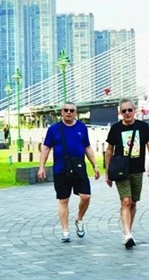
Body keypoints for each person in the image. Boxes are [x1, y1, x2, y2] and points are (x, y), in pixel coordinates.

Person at [37, 102, 100, 243]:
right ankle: (65, 231)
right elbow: (46, 148)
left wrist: (95, 165)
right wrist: (41, 167)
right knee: (63, 200)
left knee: (86, 196)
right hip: (61, 169)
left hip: (79, 168)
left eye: (72, 110)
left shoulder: (82, 128)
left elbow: (87, 147)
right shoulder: (54, 129)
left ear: (76, 113)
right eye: (66, 110)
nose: (69, 113)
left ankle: (79, 219)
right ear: (61, 112)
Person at [105, 98, 149, 248]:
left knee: (133, 202)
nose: (127, 113)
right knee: (125, 201)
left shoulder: (143, 127)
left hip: (137, 169)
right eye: (124, 111)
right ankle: (127, 234)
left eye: (130, 110)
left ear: (135, 111)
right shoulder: (115, 128)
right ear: (120, 113)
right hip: (121, 170)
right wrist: (107, 171)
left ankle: (128, 231)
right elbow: (109, 150)